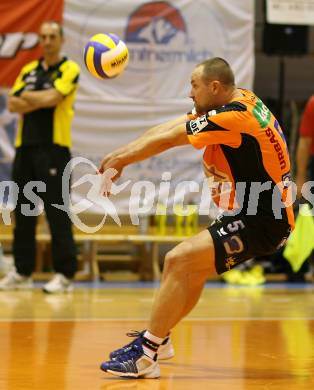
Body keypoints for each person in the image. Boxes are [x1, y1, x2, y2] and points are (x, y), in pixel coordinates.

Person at [98, 57, 295, 378]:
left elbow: (171, 139)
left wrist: (124, 159)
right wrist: (122, 152)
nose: (190, 93)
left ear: (214, 87)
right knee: (190, 269)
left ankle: (146, 355)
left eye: (194, 85)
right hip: (255, 212)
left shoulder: (236, 117)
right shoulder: (240, 99)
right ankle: (160, 340)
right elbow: (173, 126)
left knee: (178, 260)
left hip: (263, 220)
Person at [0, 21, 80, 293]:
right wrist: (41, 97)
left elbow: (54, 98)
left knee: (57, 213)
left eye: (52, 36)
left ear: (61, 39)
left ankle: (64, 274)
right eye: (43, 37)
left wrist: (31, 98)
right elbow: (12, 102)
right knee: (23, 212)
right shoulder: (29, 69)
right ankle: (22, 272)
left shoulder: (69, 68)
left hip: (54, 149)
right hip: (25, 149)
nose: (47, 41)